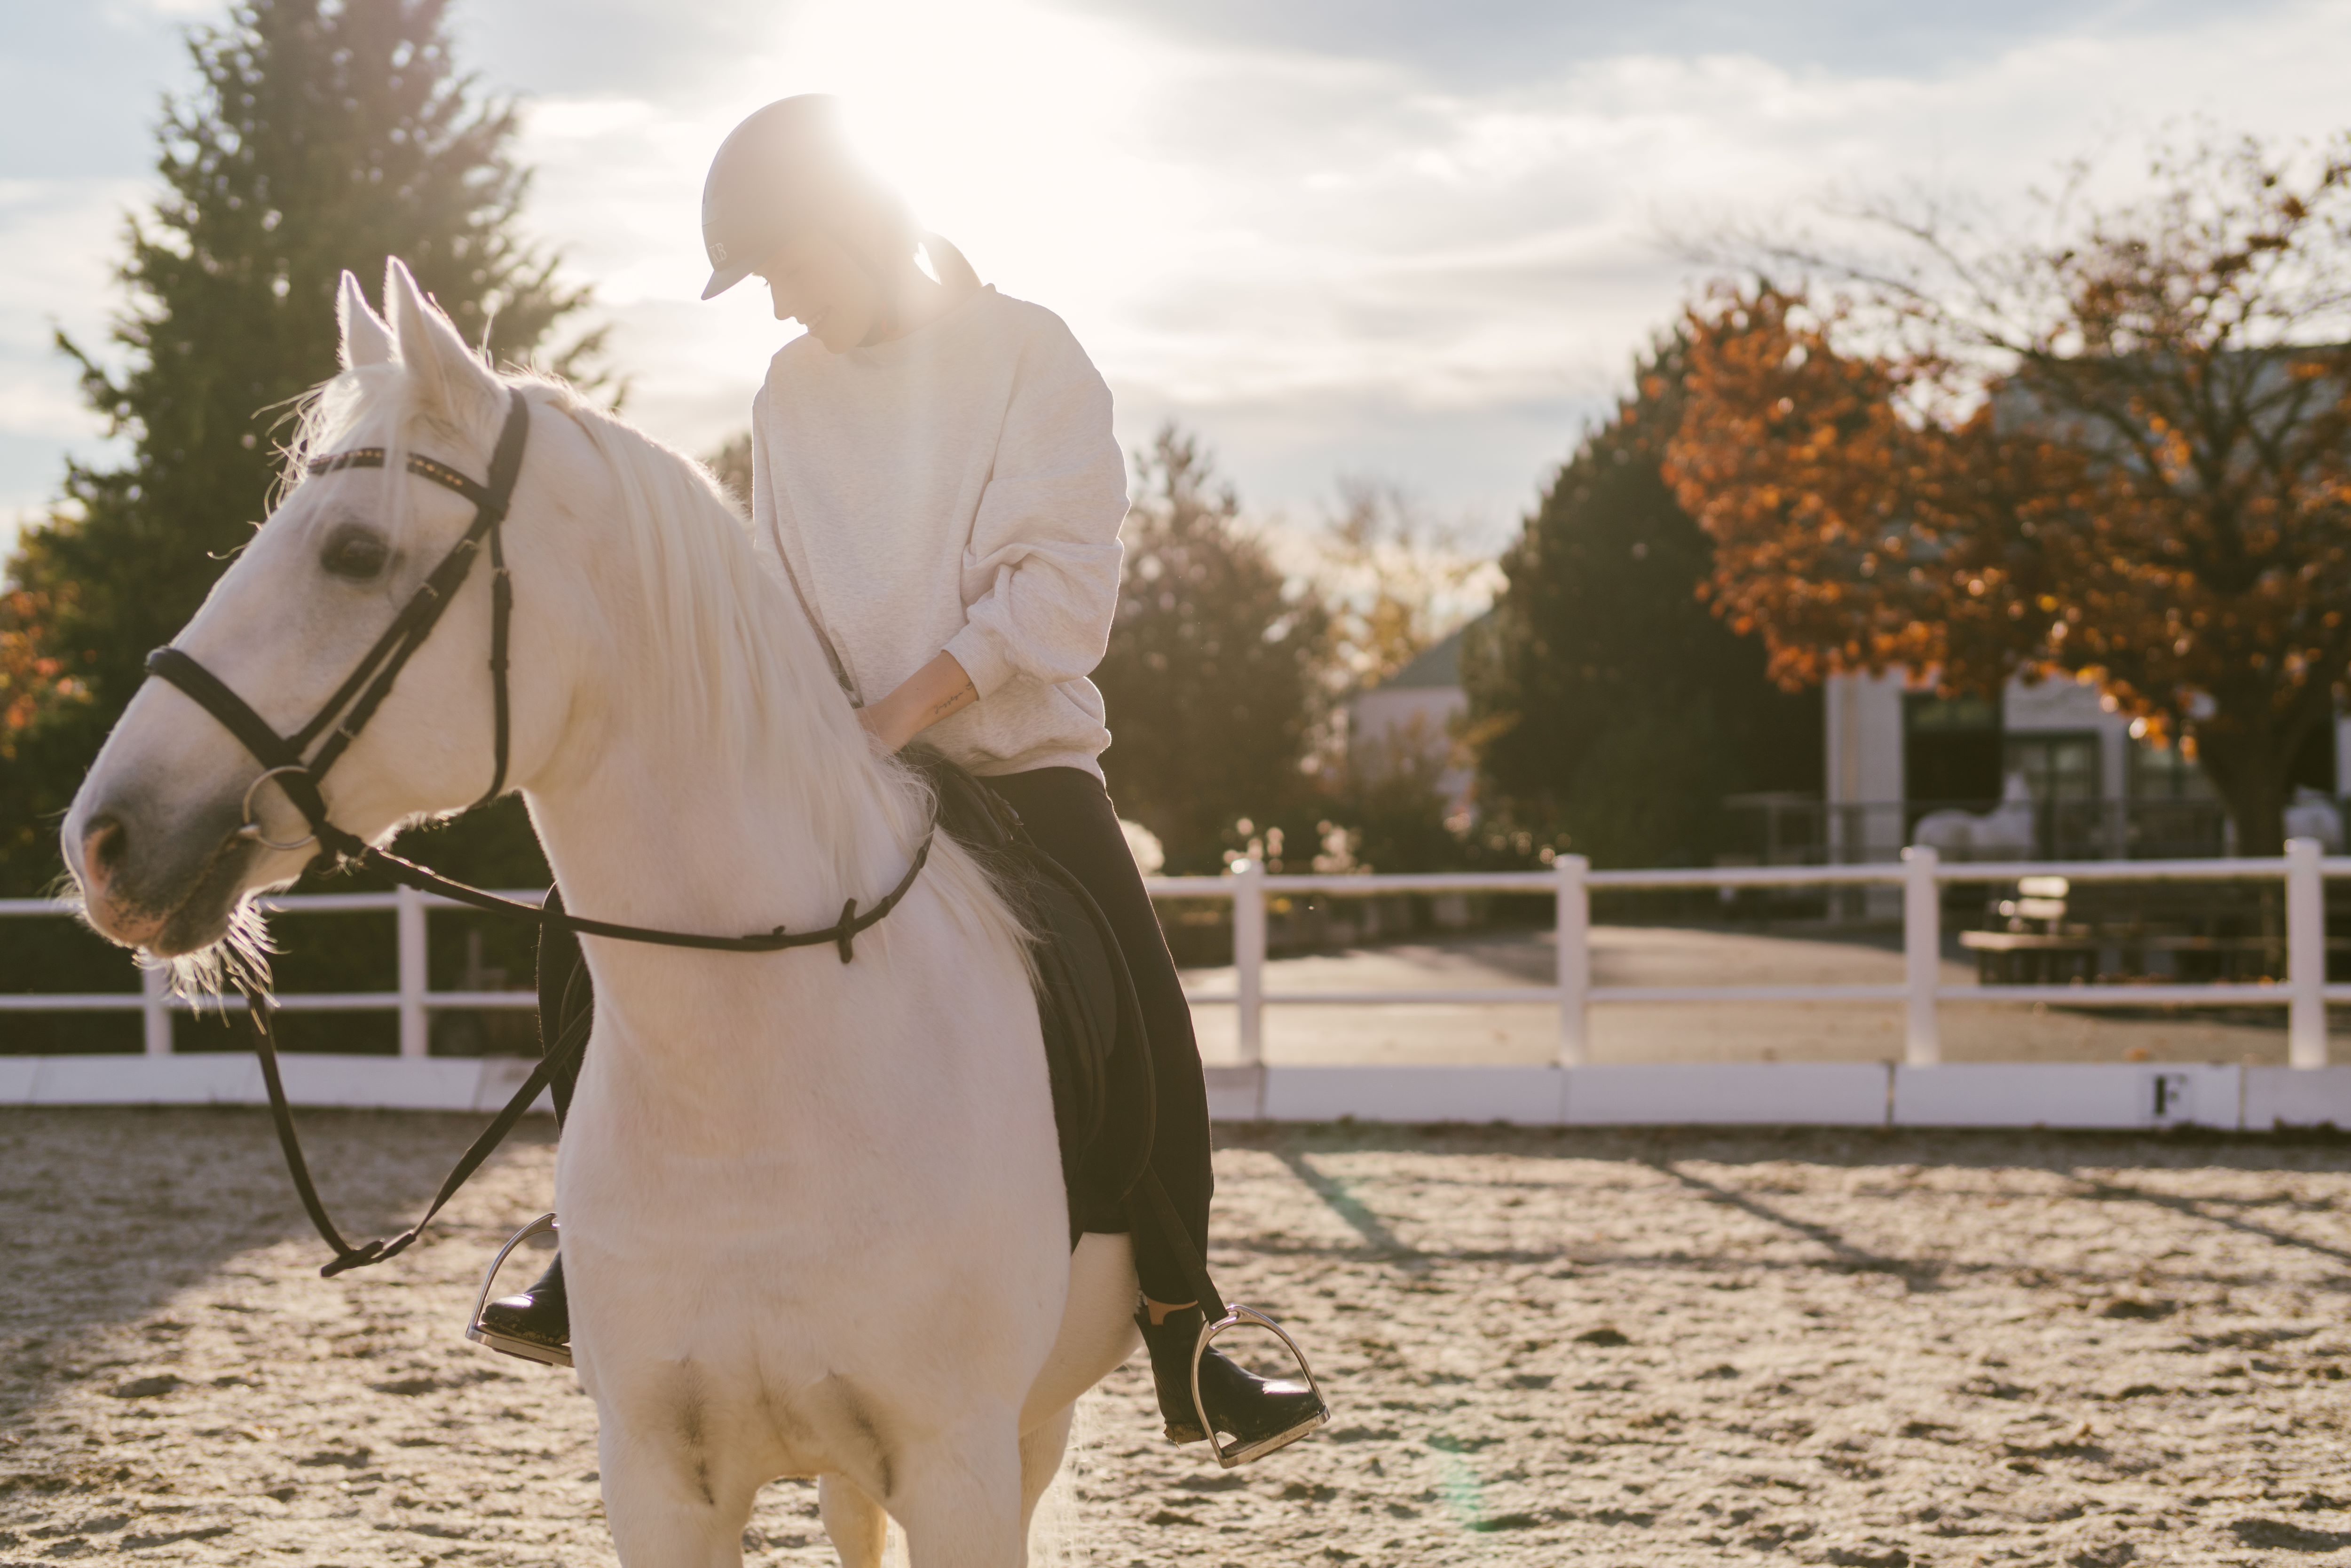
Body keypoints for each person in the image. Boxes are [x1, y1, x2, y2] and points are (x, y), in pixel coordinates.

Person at [474, 94, 1324, 1460]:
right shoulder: (792, 393)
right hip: (838, 765)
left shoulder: (1033, 358)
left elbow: (1057, 595)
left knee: (1143, 1007)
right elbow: (787, 594)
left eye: (783, 271)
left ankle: (1187, 1320)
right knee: (592, 942)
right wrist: (785, 734)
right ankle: (591, 1255)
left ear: (858, 230)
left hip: (1014, 762)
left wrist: (893, 718)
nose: (775, 309)